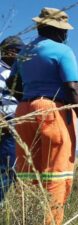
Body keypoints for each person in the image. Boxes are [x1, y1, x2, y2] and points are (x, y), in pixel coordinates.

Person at [7, 7, 78, 225]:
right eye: (64, 30)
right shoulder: (62, 51)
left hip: (24, 110)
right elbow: (72, 87)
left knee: (27, 175)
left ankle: (27, 219)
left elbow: (10, 83)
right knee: (57, 175)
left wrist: (26, 99)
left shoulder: (26, 52)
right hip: (52, 110)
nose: (66, 34)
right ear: (57, 29)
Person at [0, 36, 24, 204]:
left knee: (12, 169)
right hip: (7, 125)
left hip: (15, 124)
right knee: (7, 169)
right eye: (19, 52)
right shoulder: (2, 71)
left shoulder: (13, 72)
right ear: (9, 51)